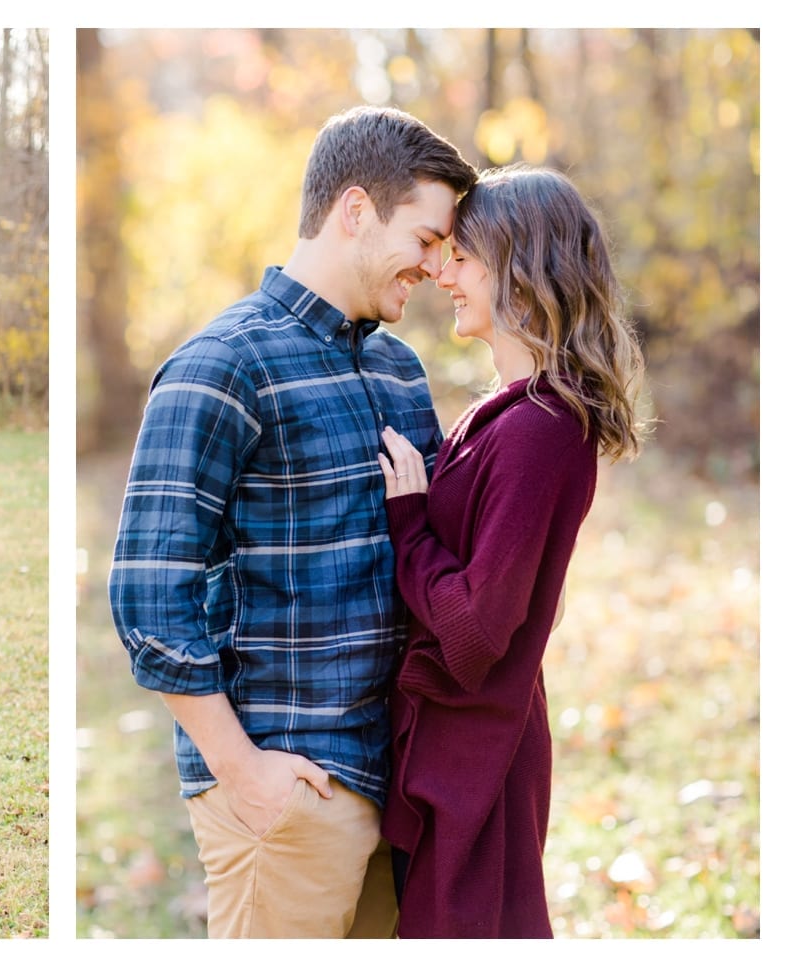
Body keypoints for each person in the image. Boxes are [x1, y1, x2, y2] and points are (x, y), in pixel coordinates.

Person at [109, 105, 477, 938]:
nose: (436, 263)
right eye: (424, 237)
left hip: (400, 784)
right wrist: (242, 770)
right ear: (355, 211)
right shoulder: (221, 364)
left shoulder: (399, 368)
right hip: (287, 788)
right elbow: (148, 595)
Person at [376, 165, 646, 937]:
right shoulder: (504, 413)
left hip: (480, 760)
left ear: (520, 271)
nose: (441, 272)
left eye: (462, 257)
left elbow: (472, 633)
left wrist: (409, 521)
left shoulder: (540, 430)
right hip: (458, 746)